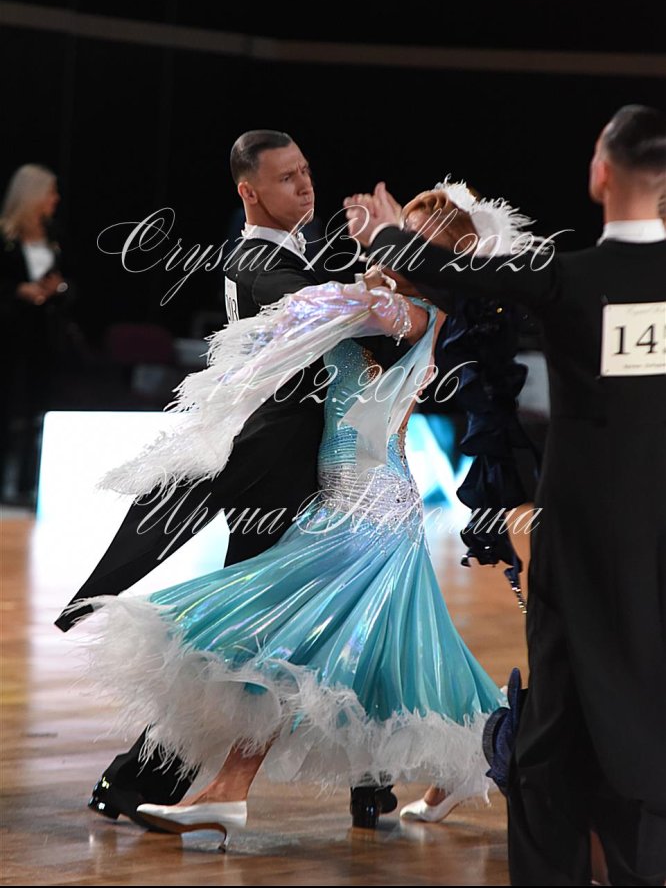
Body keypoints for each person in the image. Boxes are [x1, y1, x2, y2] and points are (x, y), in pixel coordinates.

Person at [76, 232, 507, 845]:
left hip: (367, 514)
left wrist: (338, 278)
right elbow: (315, 314)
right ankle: (485, 756)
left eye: (402, 241)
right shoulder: (384, 308)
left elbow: (321, 305)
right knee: (403, 660)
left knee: (284, 638)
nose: (380, 252)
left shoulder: (414, 315)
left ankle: (229, 793)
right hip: (352, 506)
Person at [346, 105, 666, 886]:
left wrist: (387, 237)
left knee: (556, 720)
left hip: (579, 533)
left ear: (600, 172)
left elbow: (460, 274)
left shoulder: (569, 276)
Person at [56, 130, 404, 828]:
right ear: (249, 191)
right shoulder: (256, 264)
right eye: (286, 177)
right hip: (276, 473)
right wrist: (394, 250)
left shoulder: (299, 252)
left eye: (306, 170)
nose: (304, 185)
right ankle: (140, 778)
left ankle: (371, 782)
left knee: (347, 611)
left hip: (319, 465)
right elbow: (360, 318)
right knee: (250, 634)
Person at [0, 164, 68, 505]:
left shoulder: (52, 235)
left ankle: (28, 485)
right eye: (50, 192)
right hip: (8, 336)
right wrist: (17, 291)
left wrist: (59, 288)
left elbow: (68, 283)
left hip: (42, 336)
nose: (55, 199)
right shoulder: (5, 238)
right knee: (6, 409)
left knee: (36, 411)